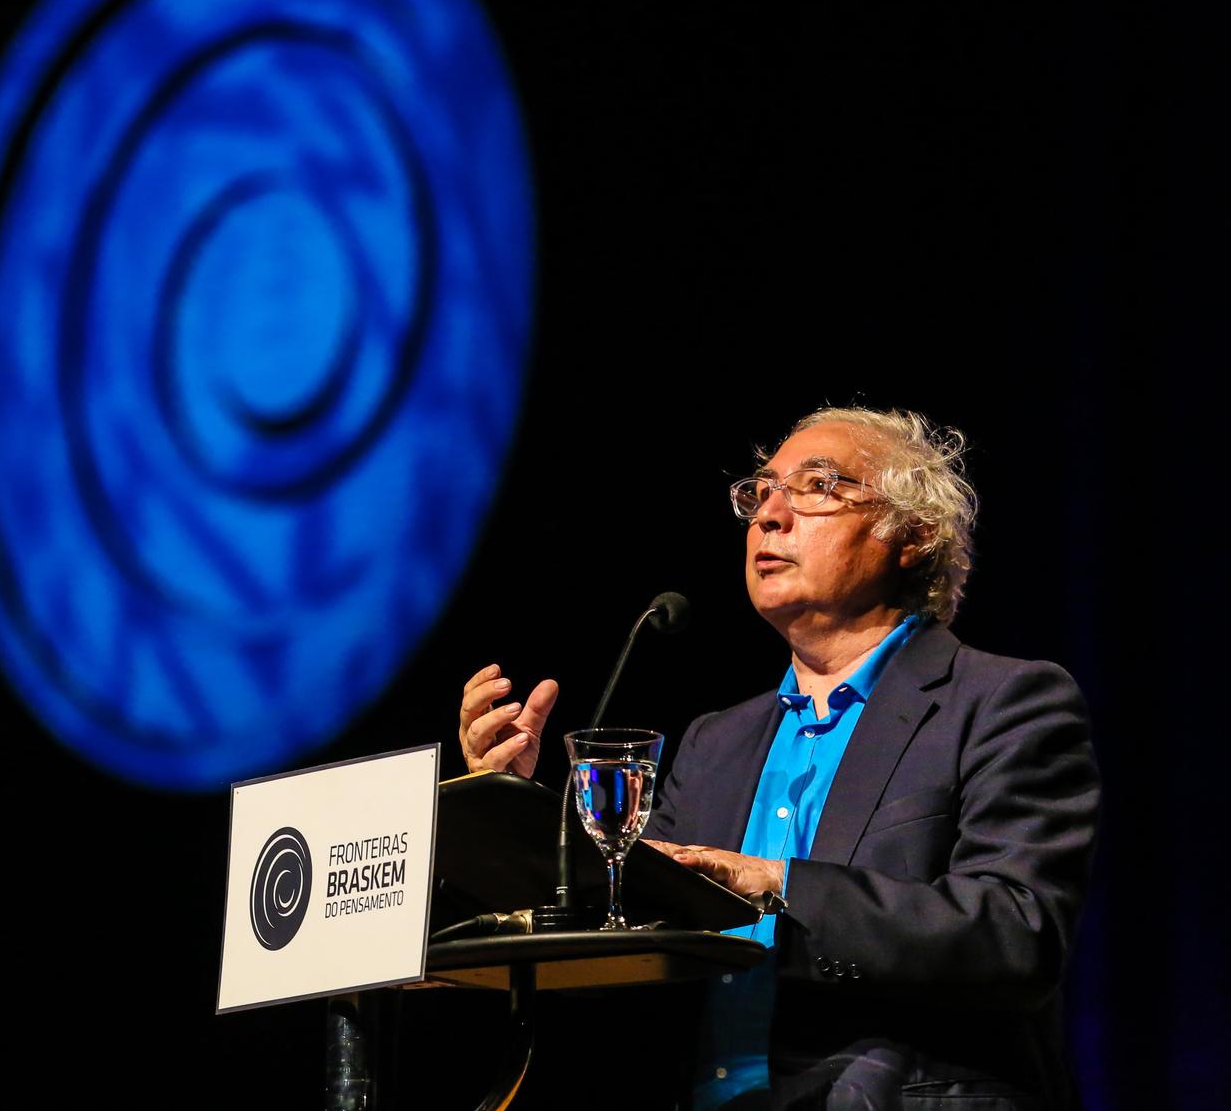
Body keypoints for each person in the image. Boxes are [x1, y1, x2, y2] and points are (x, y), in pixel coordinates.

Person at [457, 406, 1099, 1108]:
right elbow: (627, 925)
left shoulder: (1003, 701)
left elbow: (1016, 932)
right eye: (759, 494)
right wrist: (515, 813)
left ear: (911, 536)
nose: (770, 515)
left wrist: (777, 880)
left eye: (817, 486)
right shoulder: (714, 743)